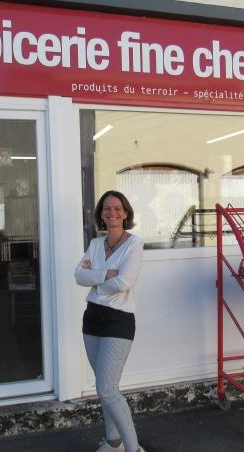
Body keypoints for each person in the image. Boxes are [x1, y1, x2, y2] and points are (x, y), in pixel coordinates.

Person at [74, 190, 145, 452]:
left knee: (106, 389)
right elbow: (78, 275)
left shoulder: (134, 244)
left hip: (118, 320)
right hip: (92, 318)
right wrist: (105, 274)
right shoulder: (95, 244)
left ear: (125, 213)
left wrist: (96, 280)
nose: (111, 213)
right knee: (104, 386)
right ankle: (114, 443)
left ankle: (133, 448)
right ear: (101, 214)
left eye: (117, 208)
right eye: (106, 208)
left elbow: (124, 281)